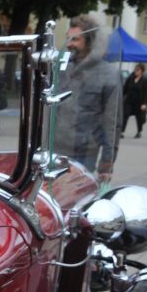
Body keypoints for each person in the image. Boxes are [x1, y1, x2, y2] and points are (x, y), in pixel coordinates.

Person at [52, 14, 121, 183]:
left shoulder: (109, 74)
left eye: (76, 39)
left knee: (78, 204)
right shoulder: (61, 69)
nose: (69, 44)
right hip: (55, 151)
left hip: (84, 155)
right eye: (68, 38)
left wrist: (107, 163)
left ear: (90, 41)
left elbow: (112, 123)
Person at [122, 63, 147, 138]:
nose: (136, 71)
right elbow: (124, 90)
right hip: (129, 101)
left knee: (139, 118)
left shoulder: (145, 80)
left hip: (139, 102)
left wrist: (144, 104)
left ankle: (139, 131)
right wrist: (120, 97)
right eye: (135, 69)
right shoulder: (130, 78)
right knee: (125, 115)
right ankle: (122, 131)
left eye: (138, 70)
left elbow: (146, 93)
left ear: (142, 71)